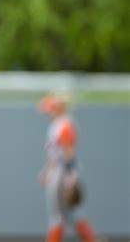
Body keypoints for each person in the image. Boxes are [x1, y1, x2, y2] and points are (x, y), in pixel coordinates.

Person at [38, 92, 102, 242]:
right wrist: (46, 170)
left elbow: (68, 152)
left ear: (59, 108)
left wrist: (70, 175)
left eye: (51, 108)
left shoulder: (64, 124)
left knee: (58, 214)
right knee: (69, 213)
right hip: (58, 171)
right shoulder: (59, 124)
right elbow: (53, 153)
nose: (49, 112)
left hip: (62, 174)